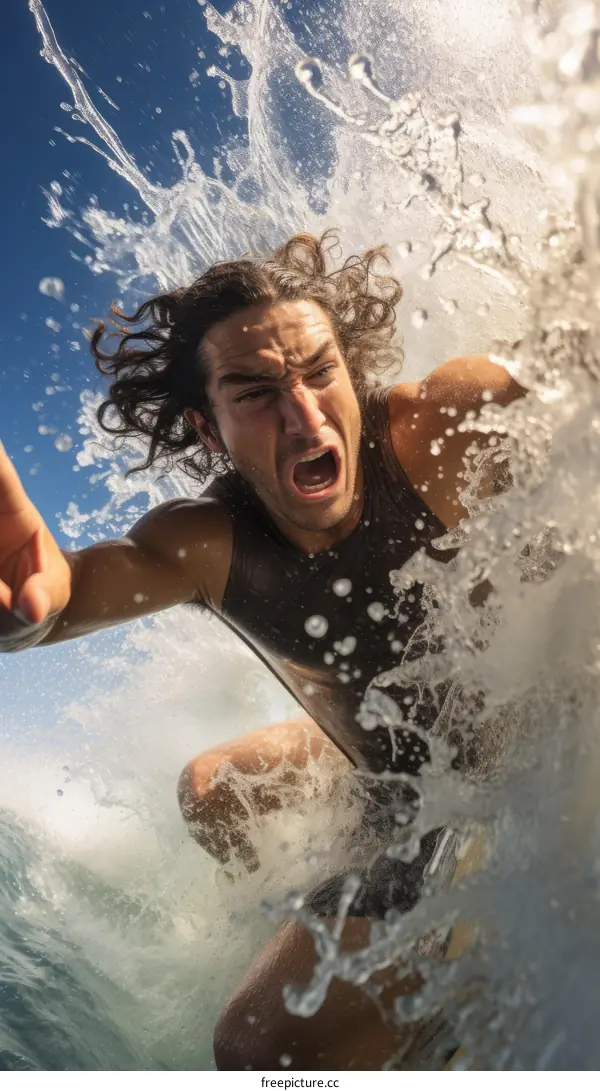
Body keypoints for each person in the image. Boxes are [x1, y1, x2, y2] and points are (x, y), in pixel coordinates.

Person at [0, 231, 524, 1069]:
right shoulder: (208, 543)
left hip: (512, 766)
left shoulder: (439, 427)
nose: (305, 415)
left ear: (353, 375)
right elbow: (63, 598)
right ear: (209, 431)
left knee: (256, 1046)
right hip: (397, 784)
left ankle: (450, 1020)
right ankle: (355, 951)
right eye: (256, 393)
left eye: (321, 372)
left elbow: (568, 389)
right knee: (212, 790)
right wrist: (30, 607)